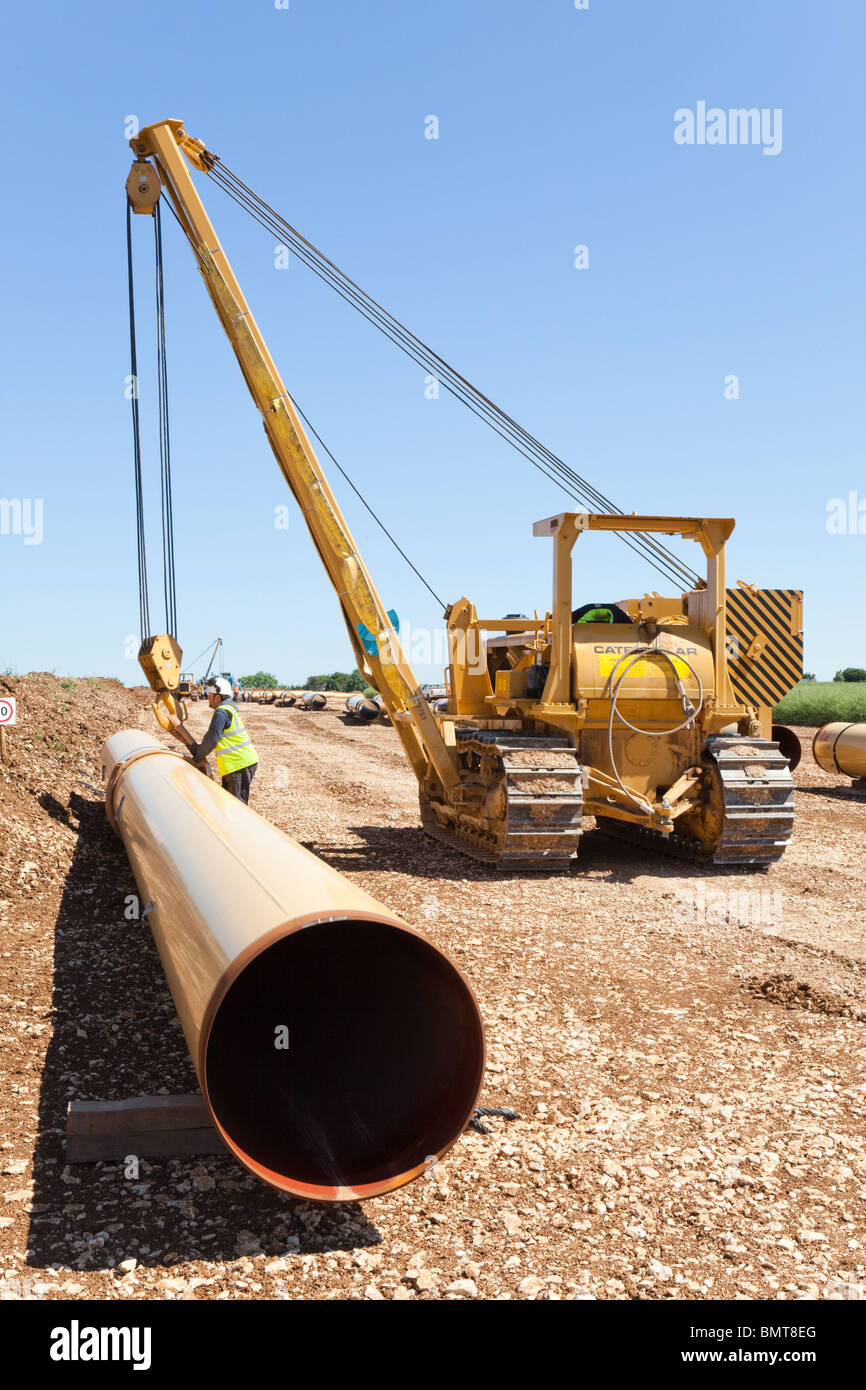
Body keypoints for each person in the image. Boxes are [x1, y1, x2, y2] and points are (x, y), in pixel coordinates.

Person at [193, 676, 259, 803]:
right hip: (237, 764)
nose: (207, 698)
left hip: (238, 764)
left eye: (210, 695)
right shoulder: (227, 709)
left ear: (218, 697)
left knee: (237, 805)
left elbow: (212, 738)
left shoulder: (222, 712)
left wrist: (197, 756)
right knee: (229, 803)